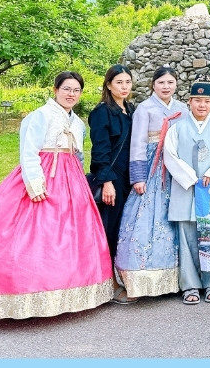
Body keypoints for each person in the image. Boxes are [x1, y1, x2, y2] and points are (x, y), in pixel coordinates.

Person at [0, 72, 114, 319]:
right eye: (66, 89)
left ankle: (69, 289)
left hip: (71, 178)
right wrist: (35, 184)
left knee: (72, 236)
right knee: (37, 235)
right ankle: (28, 291)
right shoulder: (39, 116)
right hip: (44, 173)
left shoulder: (77, 122)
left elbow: (78, 155)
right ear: (55, 89)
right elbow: (28, 152)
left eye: (76, 90)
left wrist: (81, 183)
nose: (71, 94)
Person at [115, 66, 189, 302]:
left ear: (176, 84)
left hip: (174, 168)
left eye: (170, 82)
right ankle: (139, 279)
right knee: (144, 218)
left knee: (174, 217)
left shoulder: (182, 109)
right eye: (161, 83)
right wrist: (138, 177)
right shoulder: (144, 109)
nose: (166, 87)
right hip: (151, 167)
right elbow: (136, 144)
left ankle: (175, 278)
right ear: (153, 86)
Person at [163, 79, 210, 305]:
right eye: (197, 100)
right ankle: (190, 285)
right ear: (189, 102)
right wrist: (190, 177)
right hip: (186, 187)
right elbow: (170, 156)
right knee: (187, 237)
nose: (202, 105)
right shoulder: (177, 128)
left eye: (207, 101)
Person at [88, 64, 135, 302]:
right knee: (109, 229)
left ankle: (120, 276)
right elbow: (100, 151)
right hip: (112, 178)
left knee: (124, 230)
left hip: (130, 178)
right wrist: (106, 181)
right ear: (108, 85)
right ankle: (110, 284)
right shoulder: (101, 112)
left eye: (127, 82)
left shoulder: (131, 109)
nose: (124, 87)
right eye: (119, 82)